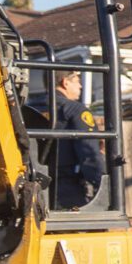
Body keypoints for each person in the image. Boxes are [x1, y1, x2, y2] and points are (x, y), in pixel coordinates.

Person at [48, 70, 104, 210]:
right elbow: (89, 153)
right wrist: (101, 183)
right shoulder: (75, 110)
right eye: (77, 81)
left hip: (32, 187)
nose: (80, 86)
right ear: (65, 83)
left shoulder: (27, 109)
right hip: (67, 190)